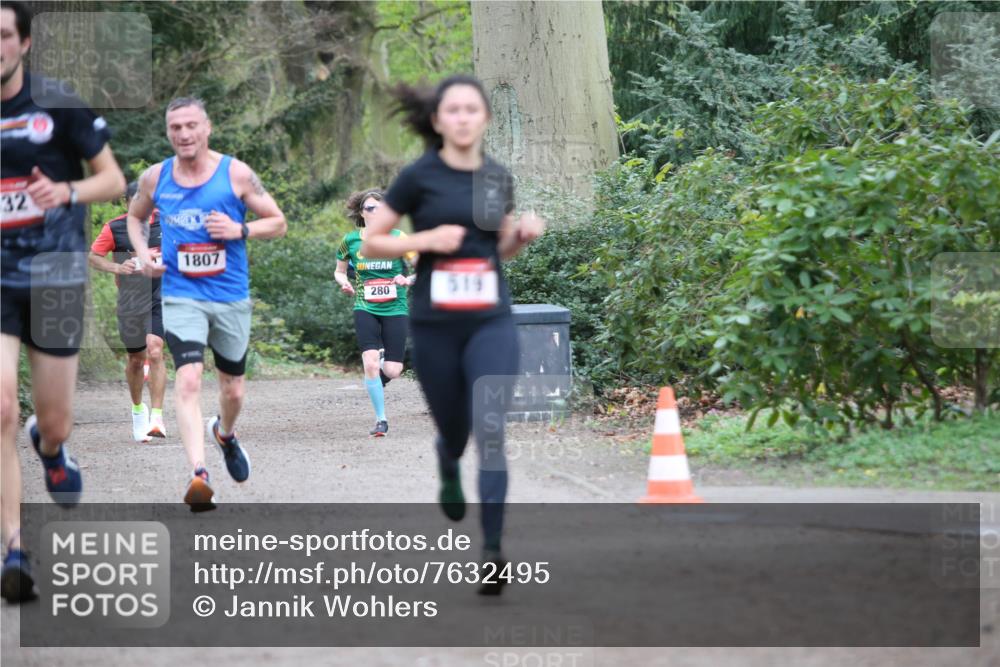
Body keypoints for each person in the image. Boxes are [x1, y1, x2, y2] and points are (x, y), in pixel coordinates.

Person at [361, 74, 544, 595]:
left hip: (491, 319)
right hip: (436, 325)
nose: (463, 118)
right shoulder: (419, 176)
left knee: (490, 432)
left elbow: (496, 251)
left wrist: (519, 239)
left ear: (485, 117)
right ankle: (446, 459)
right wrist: (424, 238)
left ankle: (492, 552)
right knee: (457, 432)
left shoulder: (496, 178)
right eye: (453, 110)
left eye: (472, 109)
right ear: (439, 120)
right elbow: (372, 243)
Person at [0, 0, 126, 602]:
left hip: (55, 273)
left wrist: (67, 191)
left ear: (24, 43)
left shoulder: (60, 104)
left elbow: (113, 181)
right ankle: (14, 549)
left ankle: (50, 446)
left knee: (53, 420)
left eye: (3, 36)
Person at [127, 97, 286, 511]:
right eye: (175, 127)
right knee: (191, 380)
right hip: (181, 296)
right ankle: (198, 474)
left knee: (232, 390)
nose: (183, 134)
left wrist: (240, 228)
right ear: (168, 132)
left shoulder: (235, 173)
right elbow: (134, 218)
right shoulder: (154, 177)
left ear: (207, 127)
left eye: (191, 125)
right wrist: (144, 253)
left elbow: (278, 222)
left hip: (230, 295)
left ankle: (225, 435)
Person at [334, 189, 416, 437]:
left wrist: (407, 279)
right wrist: (343, 283)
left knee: (392, 371)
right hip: (365, 307)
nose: (376, 212)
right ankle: (381, 420)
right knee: (369, 363)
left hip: (396, 308)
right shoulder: (350, 240)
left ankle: (375, 378)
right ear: (362, 213)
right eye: (370, 208)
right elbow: (339, 270)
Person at [89, 181, 167, 442]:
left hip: (160, 297)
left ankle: (157, 417)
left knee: (155, 349)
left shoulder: (166, 223)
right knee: (135, 359)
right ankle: (137, 411)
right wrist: (116, 268)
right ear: (127, 203)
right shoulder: (114, 228)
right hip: (130, 301)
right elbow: (93, 256)